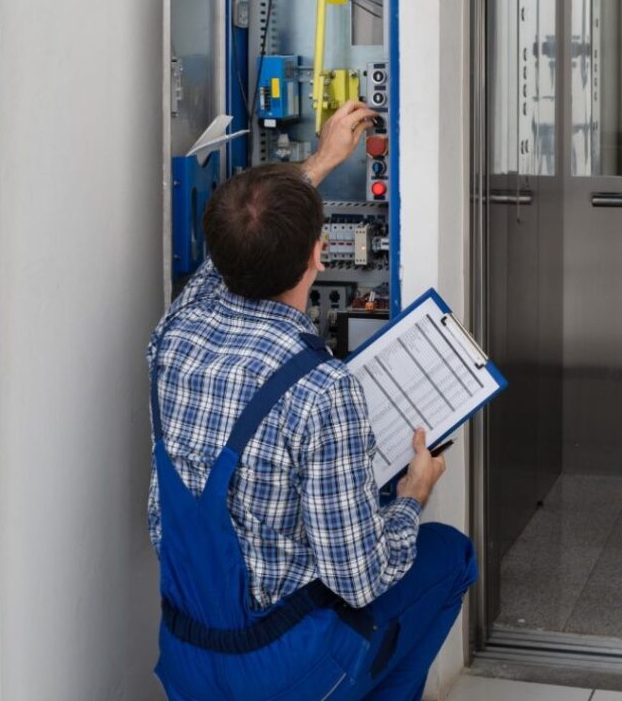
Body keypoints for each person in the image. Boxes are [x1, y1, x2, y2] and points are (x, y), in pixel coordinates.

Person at [147, 100, 477, 701]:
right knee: (450, 555)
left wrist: (320, 162)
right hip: (279, 666)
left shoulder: (175, 330)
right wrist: (413, 495)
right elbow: (359, 579)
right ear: (319, 255)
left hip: (188, 653)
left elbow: (228, 256)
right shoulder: (321, 390)